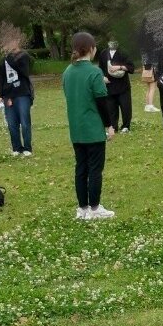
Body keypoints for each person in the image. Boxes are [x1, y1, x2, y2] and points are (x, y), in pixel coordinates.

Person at [62, 32, 116, 220]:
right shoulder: (94, 72)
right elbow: (102, 102)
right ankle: (94, 208)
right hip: (92, 129)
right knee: (94, 169)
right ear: (91, 49)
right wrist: (109, 125)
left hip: (76, 129)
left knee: (81, 168)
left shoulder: (67, 72)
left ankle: (82, 208)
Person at [0, 26, 34, 157]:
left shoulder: (23, 56)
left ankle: (27, 148)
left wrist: (10, 58)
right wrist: (0, 94)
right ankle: (16, 148)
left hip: (22, 94)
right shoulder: (4, 58)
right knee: (12, 123)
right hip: (8, 96)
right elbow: (2, 77)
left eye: (11, 41)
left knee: (25, 122)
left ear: (17, 41)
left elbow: (24, 72)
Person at [96, 40, 136, 133]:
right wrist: (103, 77)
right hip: (109, 85)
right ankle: (113, 126)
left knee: (125, 107)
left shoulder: (124, 52)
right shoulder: (103, 53)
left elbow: (131, 68)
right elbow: (100, 68)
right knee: (111, 108)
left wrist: (119, 67)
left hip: (123, 86)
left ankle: (126, 126)